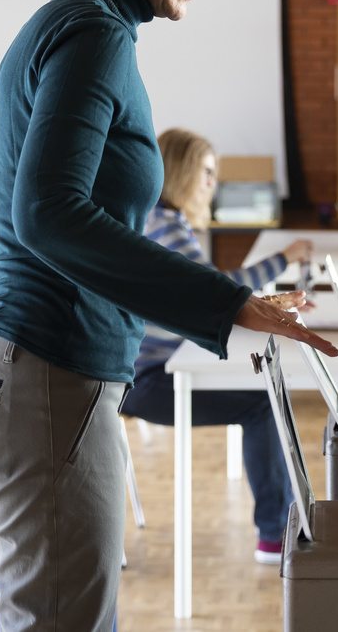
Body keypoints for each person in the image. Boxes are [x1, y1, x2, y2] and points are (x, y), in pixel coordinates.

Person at [0, 0, 336, 632]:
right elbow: (50, 214)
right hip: (43, 375)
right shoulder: (94, 33)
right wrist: (229, 302)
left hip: (43, 373)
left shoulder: (84, 22)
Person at [119, 127, 313, 565]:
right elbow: (215, 289)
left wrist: (266, 302)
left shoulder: (160, 219)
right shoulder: (163, 224)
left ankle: (278, 525)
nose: (212, 184)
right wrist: (283, 260)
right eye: (206, 172)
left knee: (258, 392)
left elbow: (211, 291)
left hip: (153, 370)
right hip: (148, 381)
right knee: (261, 405)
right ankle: (273, 536)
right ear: (182, 173)